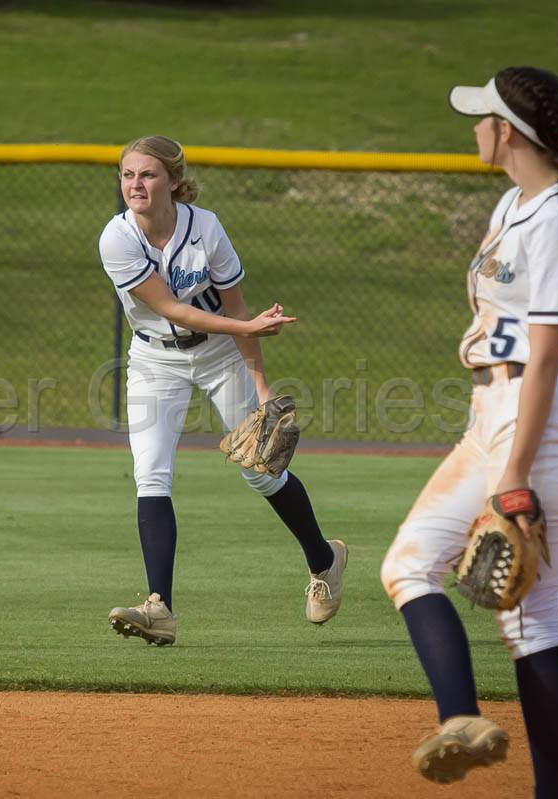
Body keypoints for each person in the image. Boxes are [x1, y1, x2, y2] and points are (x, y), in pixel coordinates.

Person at [379, 67, 558, 795]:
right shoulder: (515, 204)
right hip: (490, 416)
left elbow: (543, 359)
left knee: (530, 624)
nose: (474, 126)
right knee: (408, 566)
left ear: (507, 131)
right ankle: (462, 722)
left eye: (483, 116)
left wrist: (514, 474)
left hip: (543, 425)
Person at [98, 135, 348, 647]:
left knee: (262, 471)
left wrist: (261, 388)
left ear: (171, 179)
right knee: (151, 474)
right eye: (127, 175)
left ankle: (325, 559)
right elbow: (170, 309)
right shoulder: (117, 238)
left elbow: (238, 313)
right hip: (152, 360)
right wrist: (248, 328)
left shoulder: (204, 227)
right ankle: (159, 608)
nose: (135, 185)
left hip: (217, 353)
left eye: (147, 174)